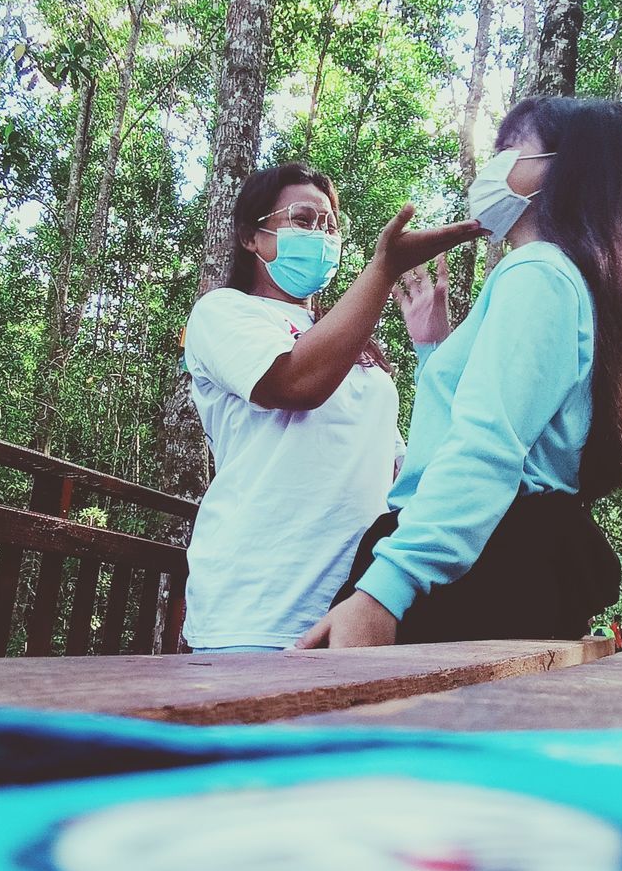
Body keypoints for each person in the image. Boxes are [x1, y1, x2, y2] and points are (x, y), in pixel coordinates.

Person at [297, 95, 622, 649]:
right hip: (495, 552)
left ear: (560, 168)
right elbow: (507, 423)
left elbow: (488, 446)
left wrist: (386, 588)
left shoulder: (536, 270)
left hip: (478, 564)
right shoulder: (562, 276)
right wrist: (434, 351)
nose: (493, 164)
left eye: (510, 149)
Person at [181, 162, 481, 652]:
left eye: (330, 225)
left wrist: (431, 350)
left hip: (356, 607)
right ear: (251, 237)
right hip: (256, 609)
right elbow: (295, 382)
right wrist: (384, 270)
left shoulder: (358, 351)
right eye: (303, 219)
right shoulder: (223, 312)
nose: (320, 235)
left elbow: (408, 468)